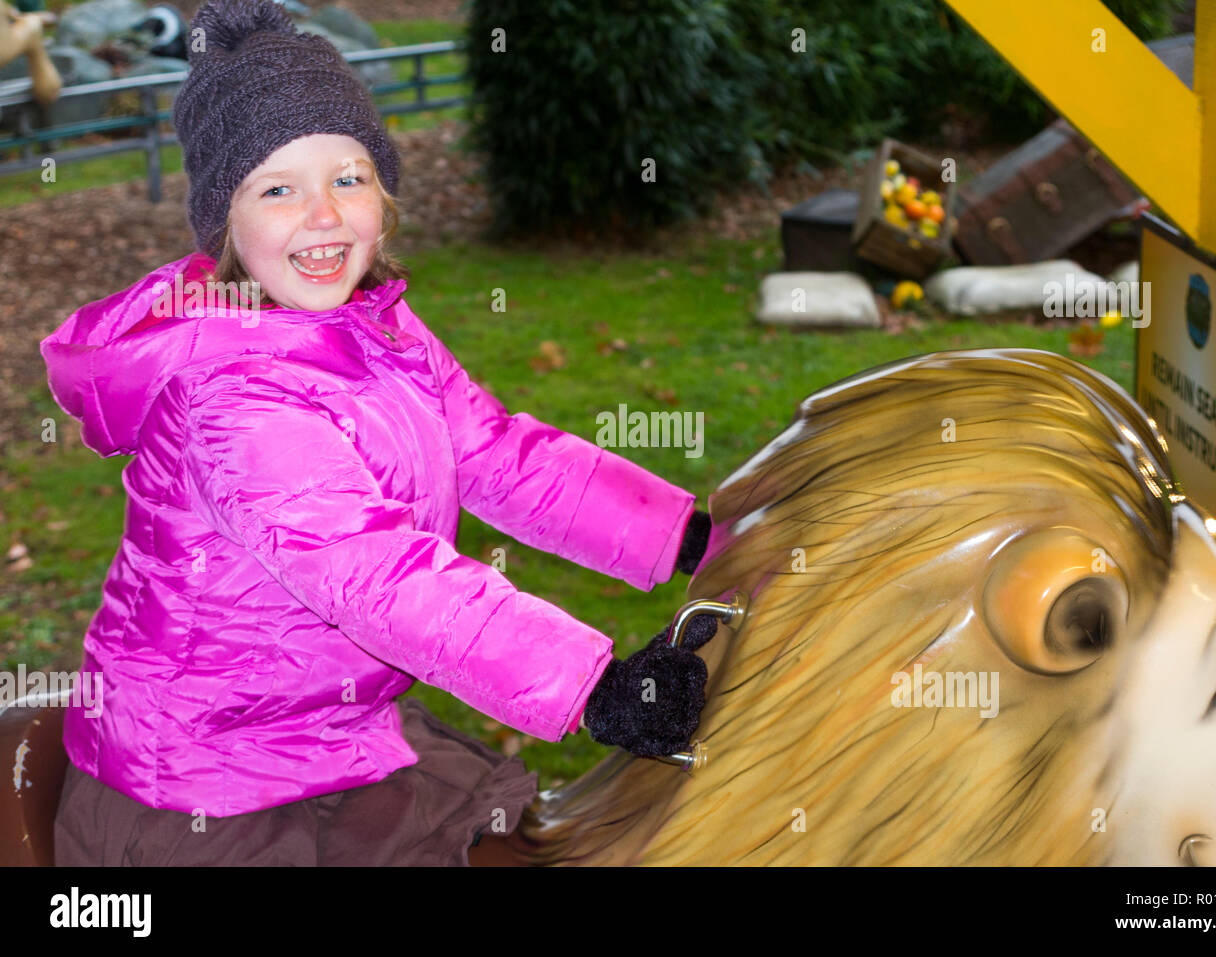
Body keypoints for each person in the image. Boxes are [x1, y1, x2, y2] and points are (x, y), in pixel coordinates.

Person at [40, 0, 716, 866]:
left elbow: (498, 453)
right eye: (278, 188)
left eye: (348, 178)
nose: (323, 215)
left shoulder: (378, 330)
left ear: (383, 196)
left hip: (328, 727)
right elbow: (373, 572)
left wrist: (682, 532)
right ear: (226, 225)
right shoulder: (231, 391)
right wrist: (592, 687)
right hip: (208, 769)